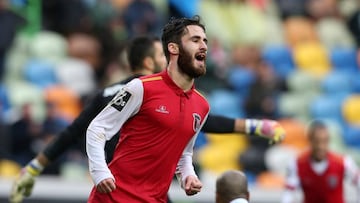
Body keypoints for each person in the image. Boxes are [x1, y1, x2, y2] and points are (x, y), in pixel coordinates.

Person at [10, 33, 284, 203]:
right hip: (134, 188)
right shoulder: (149, 92)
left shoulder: (107, 93)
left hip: (121, 189)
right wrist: (255, 126)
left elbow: (72, 133)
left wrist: (34, 167)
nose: (169, 58)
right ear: (148, 63)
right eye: (161, 54)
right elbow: (204, 121)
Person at [85, 16, 284, 203]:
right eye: (195, 40)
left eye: (205, 40)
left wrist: (188, 175)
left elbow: (184, 153)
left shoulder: (201, 105)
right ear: (173, 48)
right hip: (115, 197)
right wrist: (100, 172)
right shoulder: (141, 88)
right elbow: (97, 129)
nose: (204, 46)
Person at [281, 121, 360, 203]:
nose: (321, 146)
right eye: (317, 141)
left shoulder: (343, 162)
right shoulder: (297, 163)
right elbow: (289, 192)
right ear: (310, 140)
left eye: (324, 141)